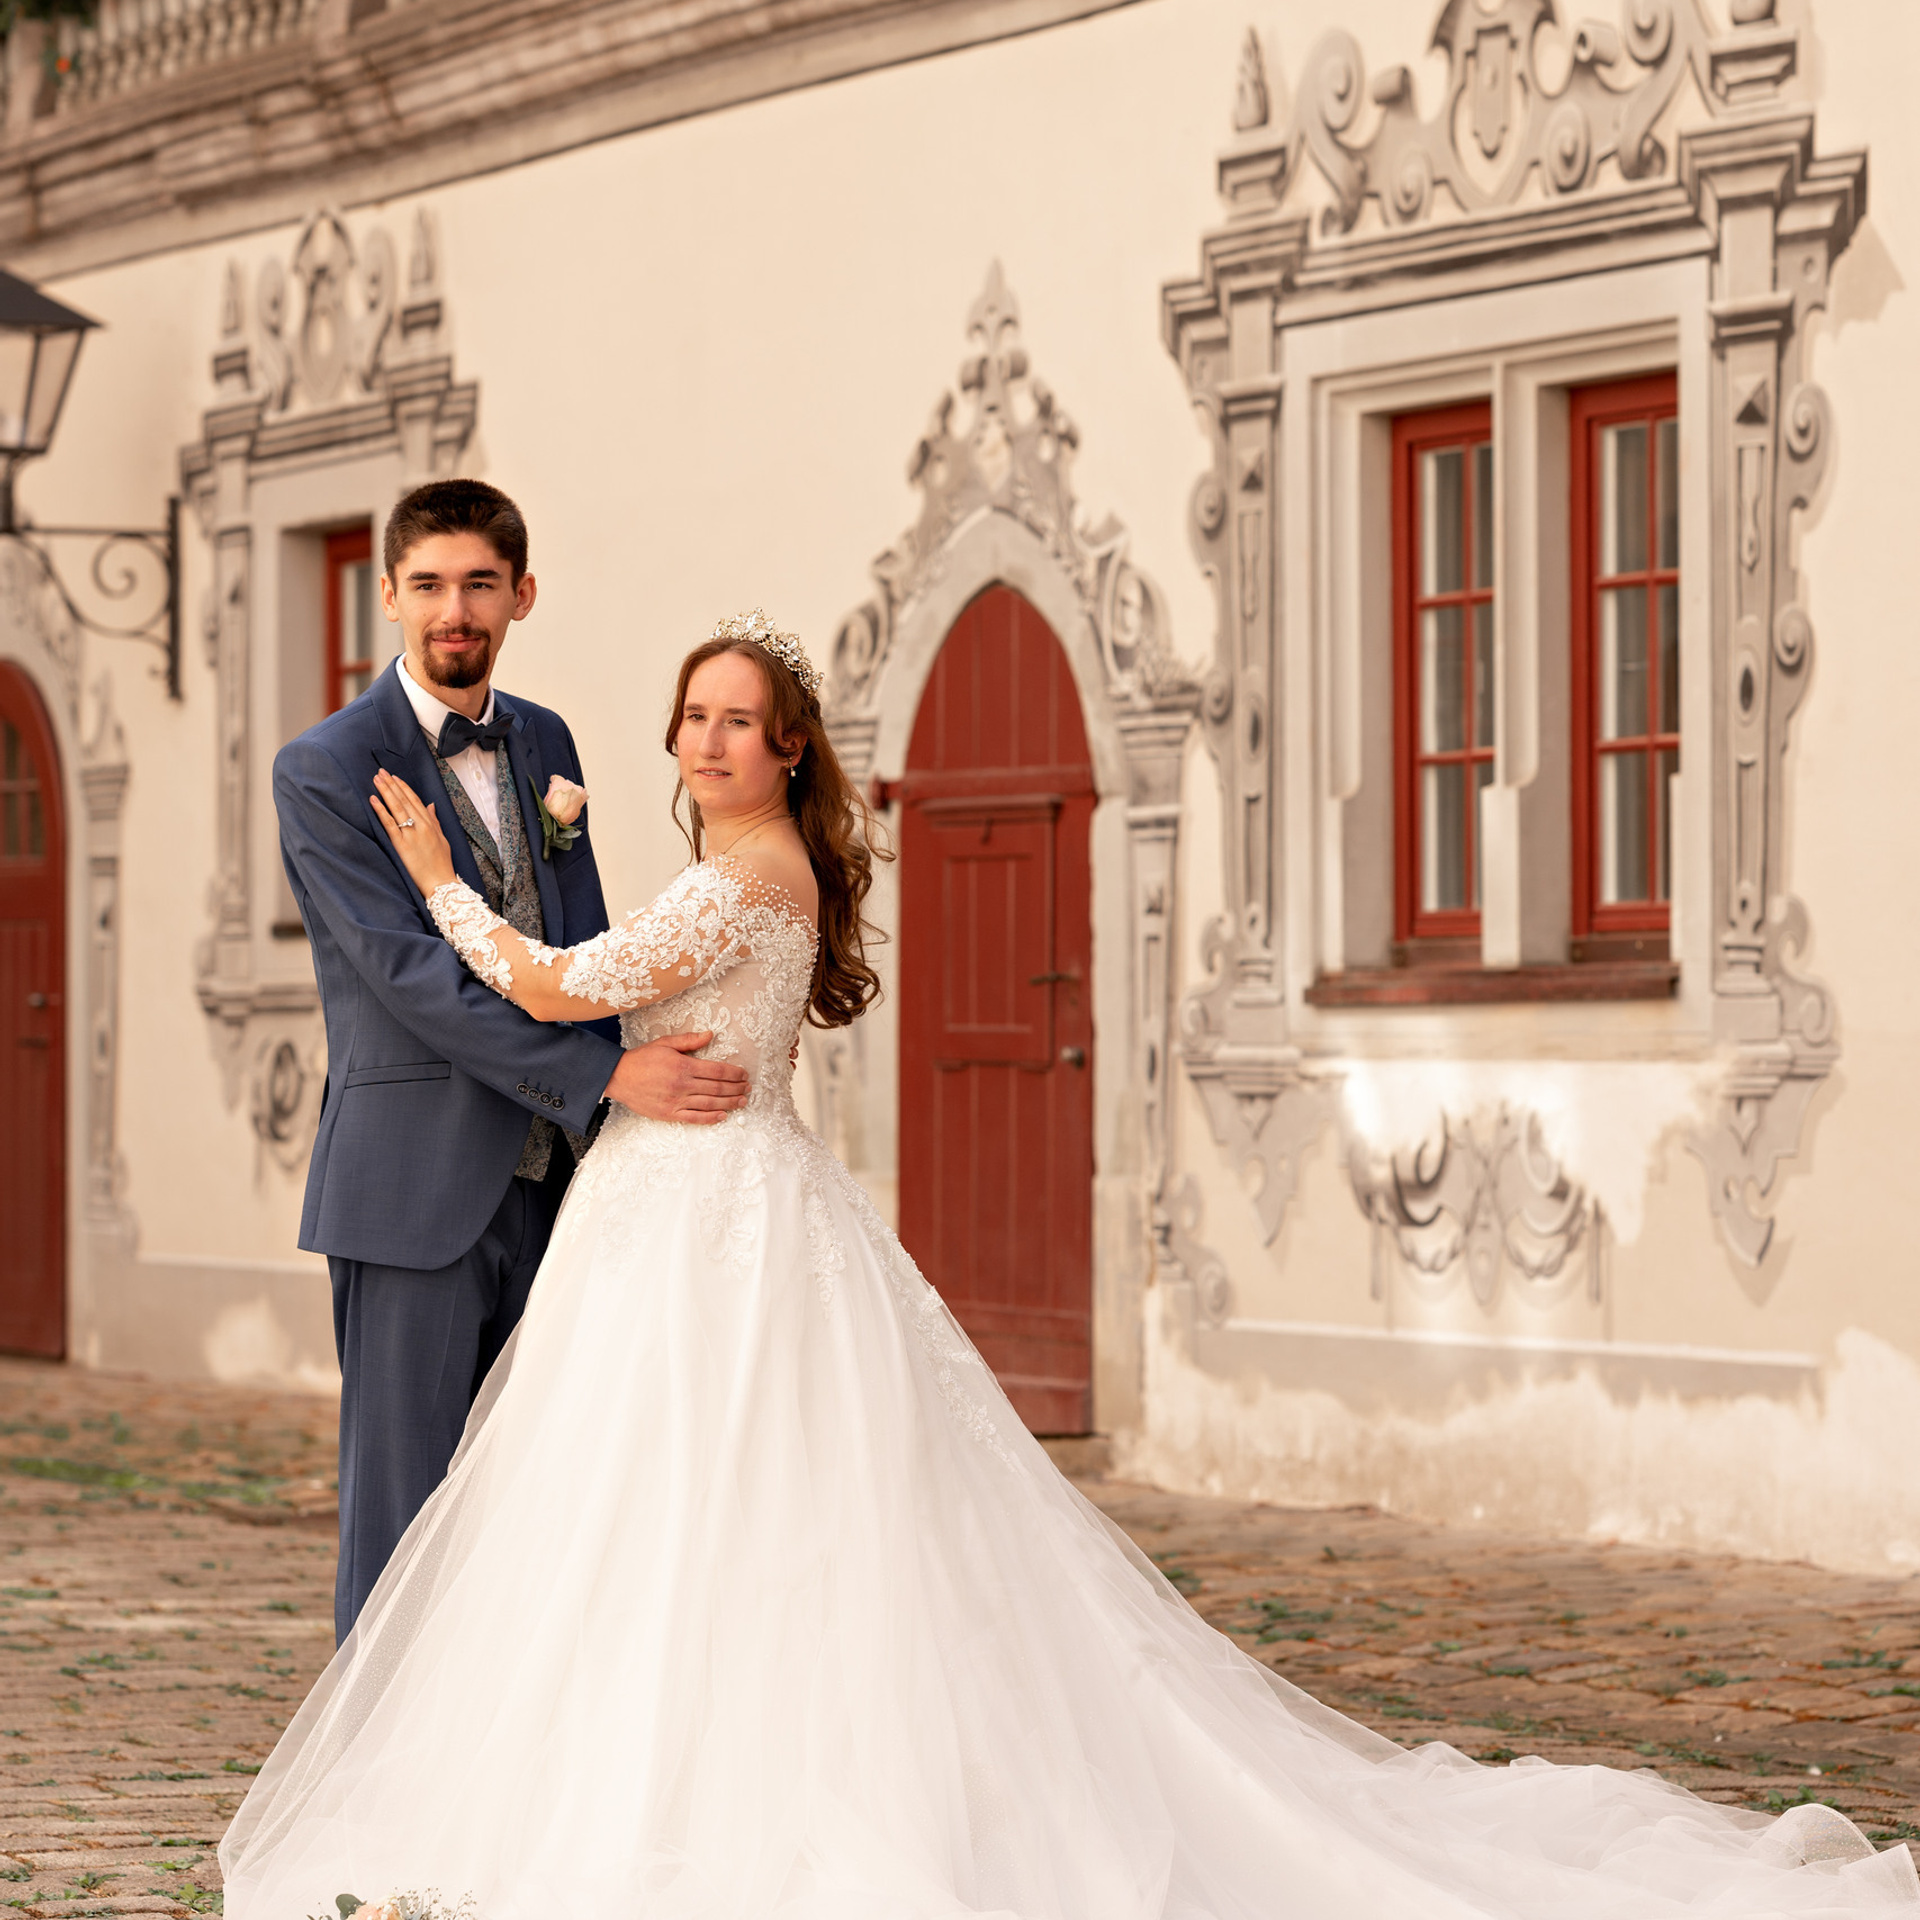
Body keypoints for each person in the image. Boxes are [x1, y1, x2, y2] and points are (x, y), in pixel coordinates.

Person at [227, 612, 1918, 1918]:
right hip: (705, 1207)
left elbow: (545, 984)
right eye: (696, 716)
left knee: (705, 1506)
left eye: (740, 718)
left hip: (708, 1220)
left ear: (788, 745)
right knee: (673, 1510)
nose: (711, 738)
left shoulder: (741, 879)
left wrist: (439, 879)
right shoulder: (739, 870)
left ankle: (696, 1806)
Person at [272, 479, 749, 1644]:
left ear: (520, 596)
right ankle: (377, 1758)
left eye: (480, 584)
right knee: (403, 1518)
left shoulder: (546, 741)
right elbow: (410, 981)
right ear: (390, 596)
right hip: (413, 1190)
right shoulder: (324, 767)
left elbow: (575, 945)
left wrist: (639, 1071)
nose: (456, 610)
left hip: (561, 1187)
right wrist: (606, 1079)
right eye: (430, 584)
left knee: (542, 1508)